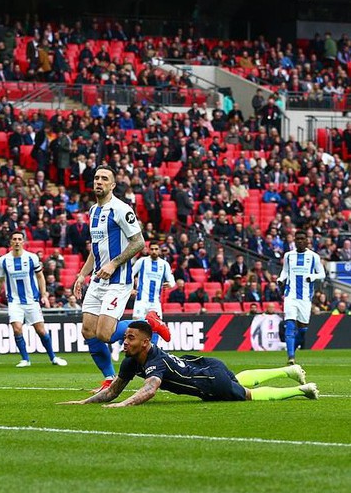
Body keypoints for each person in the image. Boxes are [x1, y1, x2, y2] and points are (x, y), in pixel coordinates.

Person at [59, 321, 318, 407]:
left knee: (247, 395)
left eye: (130, 338)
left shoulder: (154, 361)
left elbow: (150, 389)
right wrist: (83, 403)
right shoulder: (130, 361)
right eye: (125, 337)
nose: (124, 342)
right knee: (238, 379)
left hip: (208, 381)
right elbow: (113, 391)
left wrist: (124, 405)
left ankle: (301, 390)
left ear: (146, 343)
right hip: (207, 364)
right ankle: (289, 370)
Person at [73, 166, 170, 392]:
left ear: (113, 185)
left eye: (104, 179)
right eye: (96, 178)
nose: (99, 182)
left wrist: (114, 263)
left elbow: (139, 242)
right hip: (98, 280)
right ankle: (109, 378)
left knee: (104, 334)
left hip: (118, 280)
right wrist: (81, 275)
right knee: (88, 330)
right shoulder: (92, 211)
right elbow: (95, 250)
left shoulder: (121, 209)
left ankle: (151, 326)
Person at [0, 231, 67, 367]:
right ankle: (25, 359)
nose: (17, 241)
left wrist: (44, 295)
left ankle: (53, 357)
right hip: (14, 301)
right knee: (17, 329)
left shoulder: (32, 258)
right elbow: (0, 281)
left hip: (32, 300)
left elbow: (40, 276)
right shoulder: (3, 260)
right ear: (10, 242)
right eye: (14, 239)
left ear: (23, 241)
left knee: (41, 330)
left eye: (20, 239)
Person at [278, 230, 326, 365]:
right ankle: (291, 357)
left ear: (307, 241)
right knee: (290, 325)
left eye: (302, 239)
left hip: (305, 297)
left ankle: (293, 348)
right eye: (297, 238)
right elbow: (285, 271)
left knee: (303, 329)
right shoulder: (288, 256)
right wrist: (281, 279)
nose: (299, 241)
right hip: (290, 296)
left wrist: (313, 277)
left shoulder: (314, 256)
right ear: (294, 240)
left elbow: (322, 274)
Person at [131, 244, 176, 334]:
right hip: (141, 299)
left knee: (157, 326)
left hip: (155, 301)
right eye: (152, 249)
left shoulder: (164, 264)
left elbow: (171, 279)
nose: (154, 251)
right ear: (148, 250)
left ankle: (153, 347)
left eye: (156, 249)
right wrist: (131, 288)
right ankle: (119, 345)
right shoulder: (142, 261)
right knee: (136, 325)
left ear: (159, 250)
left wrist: (171, 284)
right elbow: (130, 274)